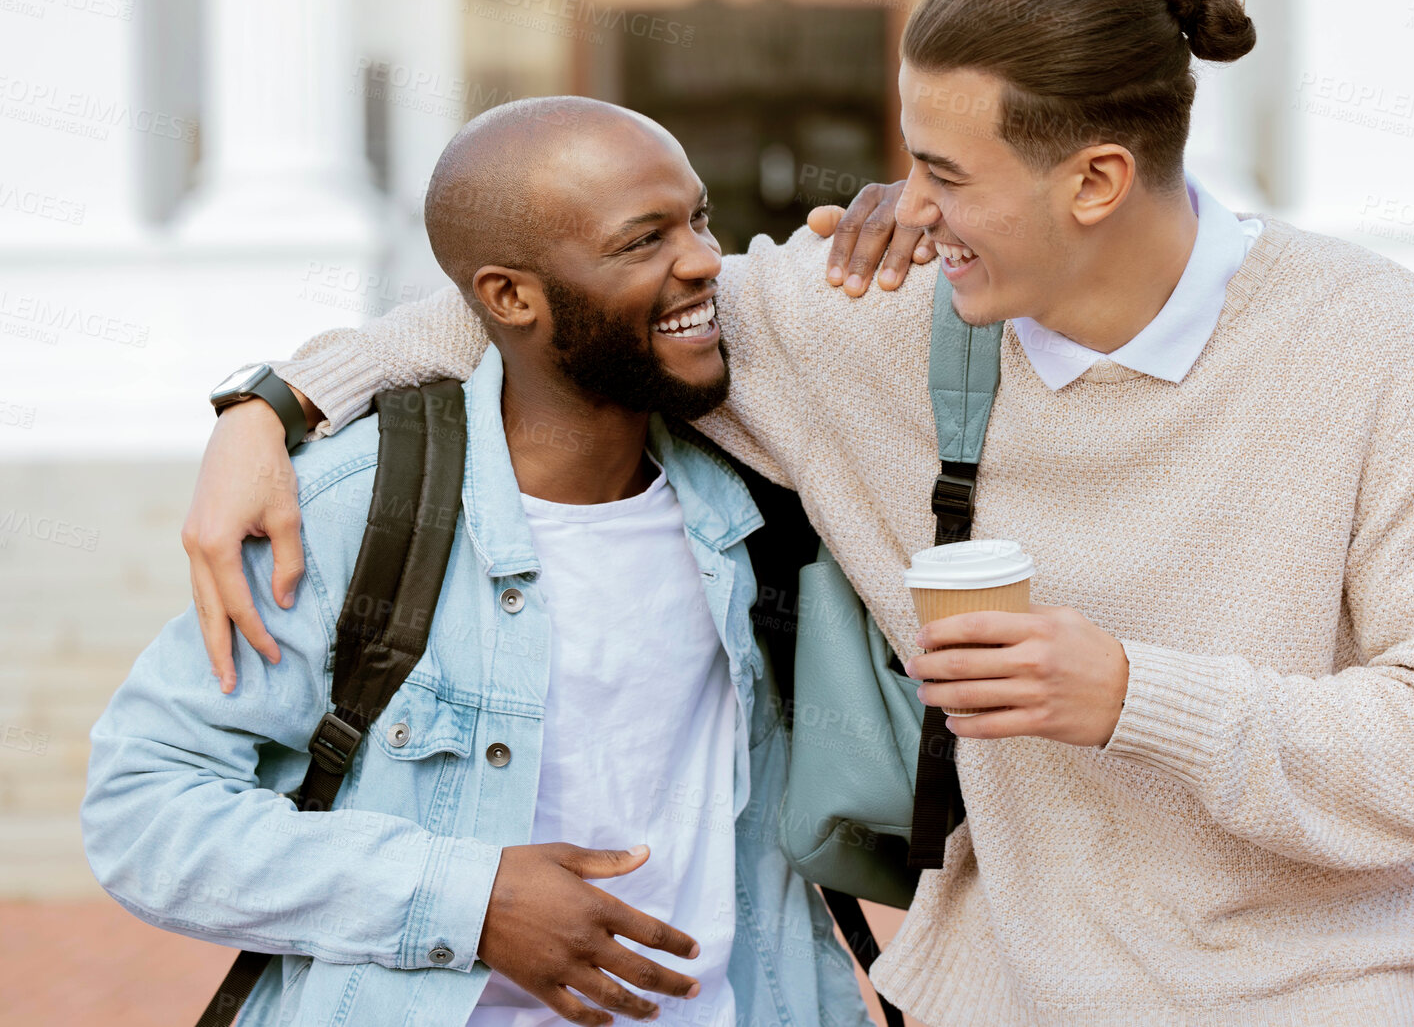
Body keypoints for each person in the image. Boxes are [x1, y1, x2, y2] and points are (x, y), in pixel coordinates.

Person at [181, 0, 1414, 1026]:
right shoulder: (880, 324)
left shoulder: (1372, 341)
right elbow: (560, 302)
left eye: (945, 171)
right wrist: (276, 400)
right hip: (986, 996)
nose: (906, 203)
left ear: (1098, 180)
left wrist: (1132, 695)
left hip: (1306, 998)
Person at [83, 98, 892, 1027]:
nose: (707, 259)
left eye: (699, 218)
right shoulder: (356, 509)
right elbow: (143, 811)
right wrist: (466, 900)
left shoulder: (762, 498)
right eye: (643, 241)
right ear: (509, 298)